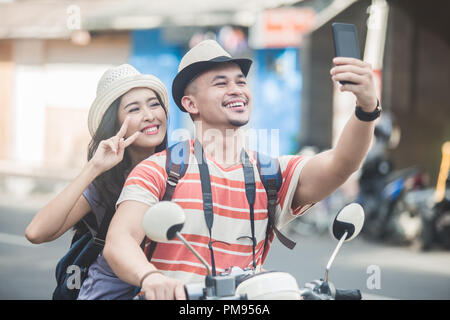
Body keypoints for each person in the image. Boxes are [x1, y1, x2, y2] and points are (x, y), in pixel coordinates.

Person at [103, 40, 379, 300]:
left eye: (241, 82)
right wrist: (150, 277)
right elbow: (120, 241)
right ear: (191, 104)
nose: (236, 89)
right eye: (221, 83)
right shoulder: (159, 170)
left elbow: (342, 164)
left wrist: (366, 108)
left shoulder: (272, 173)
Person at [25, 64, 169, 299]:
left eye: (154, 104)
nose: (150, 115)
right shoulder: (105, 184)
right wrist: (94, 168)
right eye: (134, 109)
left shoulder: (179, 170)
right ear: (114, 124)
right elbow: (36, 232)